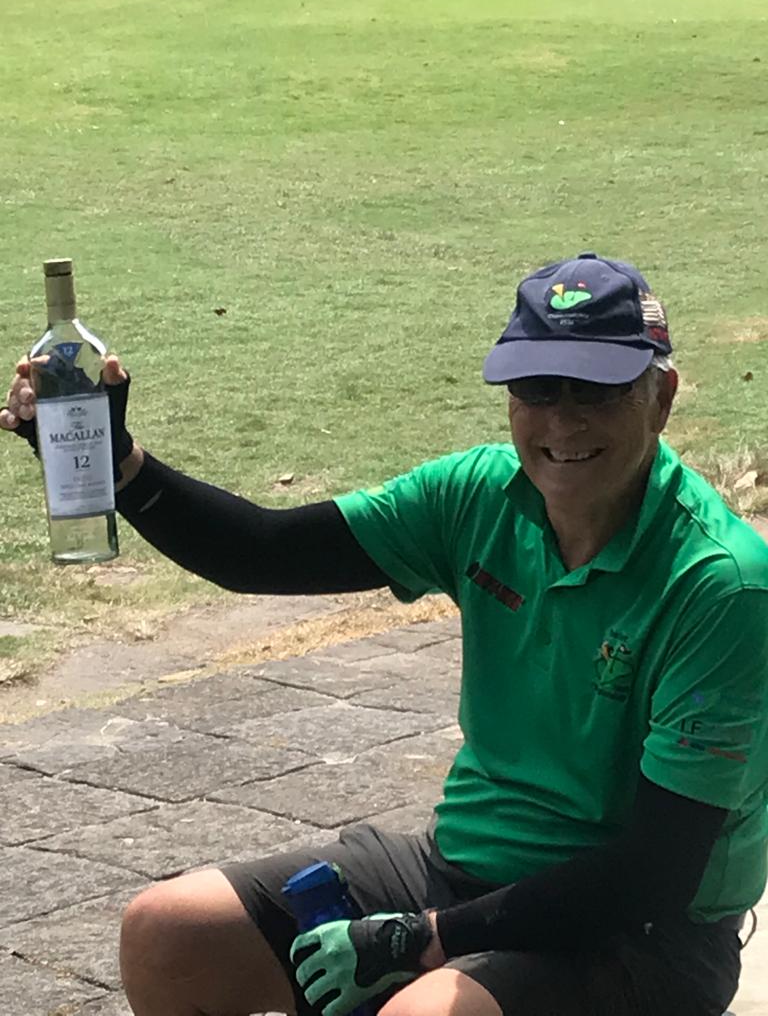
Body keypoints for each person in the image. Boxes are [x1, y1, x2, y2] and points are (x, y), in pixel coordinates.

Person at [3, 252, 767, 1016]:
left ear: (661, 398)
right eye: (537, 388)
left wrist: (423, 939)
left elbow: (655, 872)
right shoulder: (479, 496)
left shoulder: (720, 582)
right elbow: (262, 551)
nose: (564, 420)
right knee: (168, 933)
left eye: (598, 390)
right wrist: (116, 465)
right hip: (464, 867)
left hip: (644, 934)